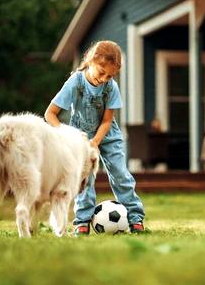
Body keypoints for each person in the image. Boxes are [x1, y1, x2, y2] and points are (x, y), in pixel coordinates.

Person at [44, 40, 146, 235]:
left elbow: (107, 121)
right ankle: (82, 221)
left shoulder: (110, 87)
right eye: (102, 72)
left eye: (110, 75)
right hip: (80, 139)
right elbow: (50, 114)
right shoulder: (76, 82)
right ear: (91, 61)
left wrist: (95, 143)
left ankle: (135, 218)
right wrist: (68, 136)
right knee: (84, 179)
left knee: (120, 174)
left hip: (107, 136)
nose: (105, 78)